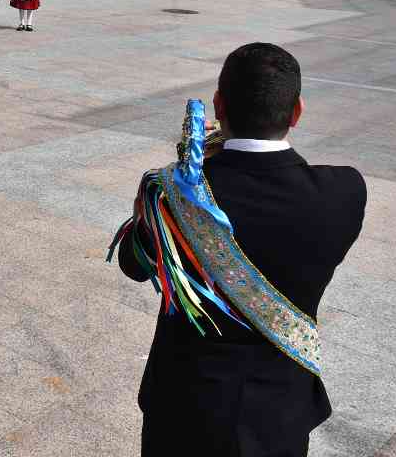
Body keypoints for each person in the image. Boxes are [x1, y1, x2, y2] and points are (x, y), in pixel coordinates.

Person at [113, 42, 365, 457]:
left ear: (218, 105)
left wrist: (166, 193)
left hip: (183, 405)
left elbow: (133, 265)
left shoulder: (176, 195)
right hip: (277, 412)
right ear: (297, 111)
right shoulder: (344, 192)